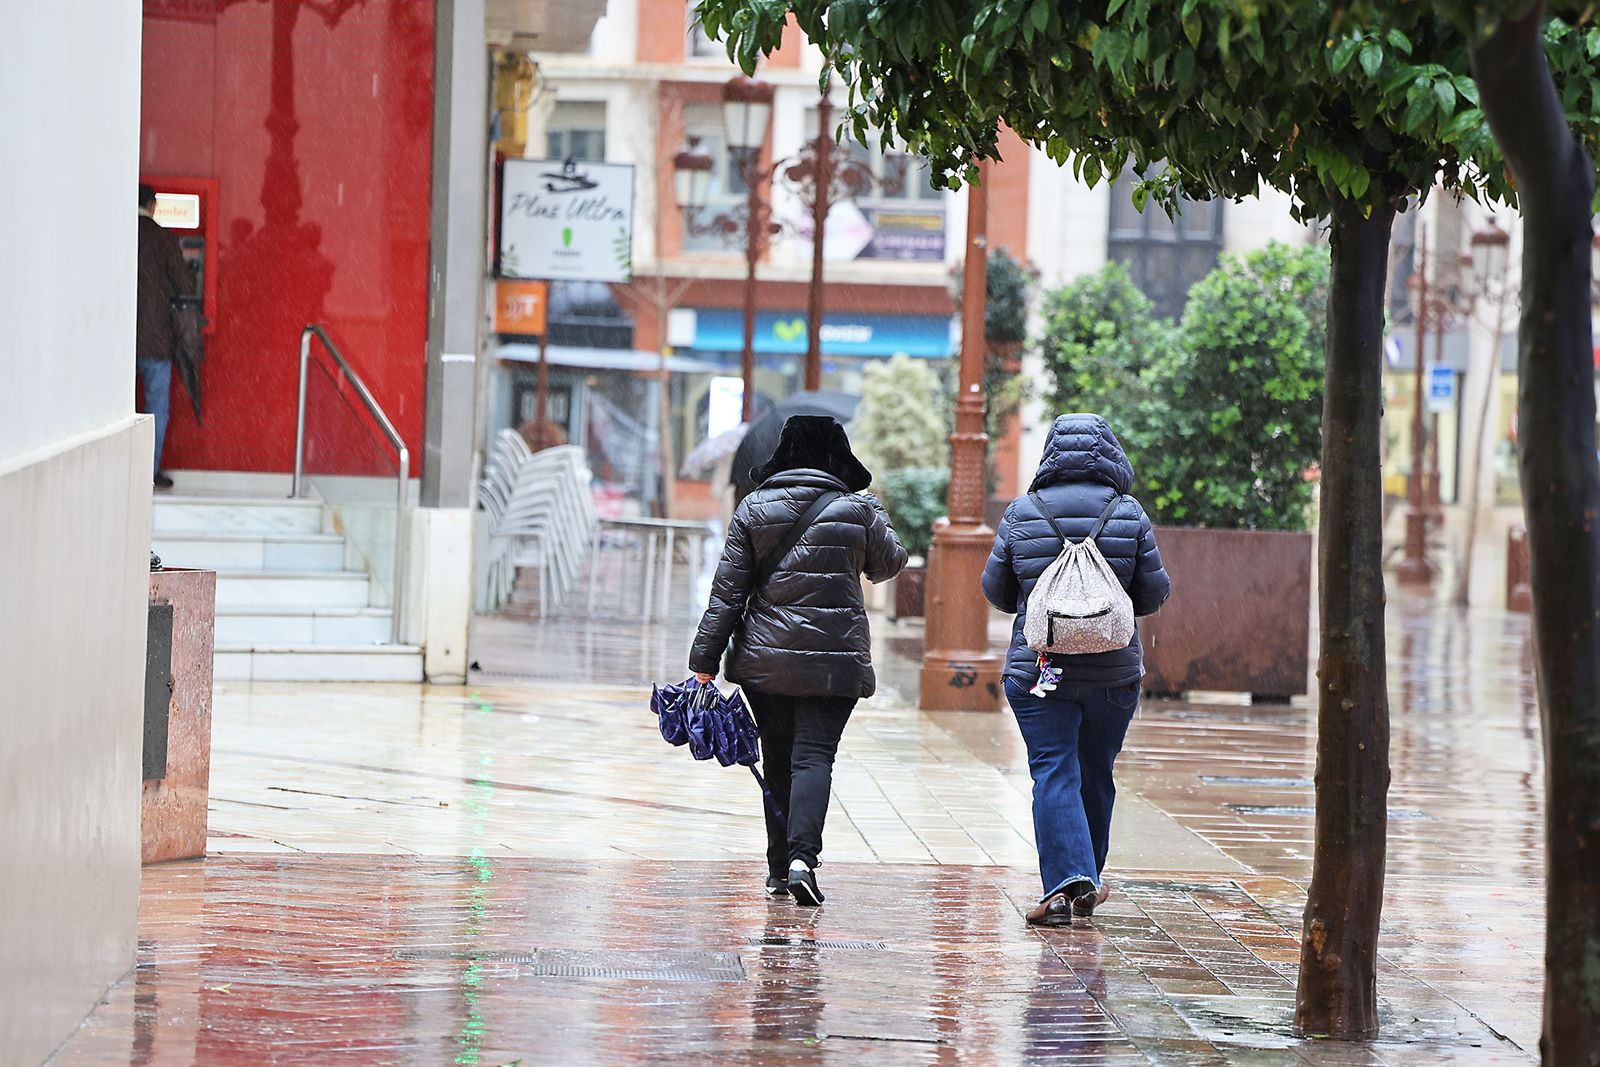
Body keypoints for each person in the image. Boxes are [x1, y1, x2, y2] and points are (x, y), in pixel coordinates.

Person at [689, 415, 907, 906]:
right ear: (839, 456)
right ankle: (802, 862)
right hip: (835, 662)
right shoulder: (857, 509)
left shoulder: (753, 508)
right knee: (814, 757)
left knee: (778, 758)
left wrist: (704, 659)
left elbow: (727, 593)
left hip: (766, 663)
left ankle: (777, 869)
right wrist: (874, 510)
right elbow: (889, 564)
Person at [982, 413, 1171, 927]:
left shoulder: (1023, 512)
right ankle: (1085, 879)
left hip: (1040, 670)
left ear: (1050, 454)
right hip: (1113, 675)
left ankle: (1068, 880)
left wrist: (1045, 600)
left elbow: (996, 590)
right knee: (1096, 770)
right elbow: (1154, 594)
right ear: (1110, 452)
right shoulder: (1127, 512)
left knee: (1053, 769)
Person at [136, 183, 194, 489]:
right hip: (156, 339)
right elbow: (186, 284)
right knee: (156, 407)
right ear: (153, 206)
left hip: (119, 342)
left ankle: (117, 474)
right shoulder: (164, 239)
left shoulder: (117, 234)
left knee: (112, 410)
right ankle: (148, 472)